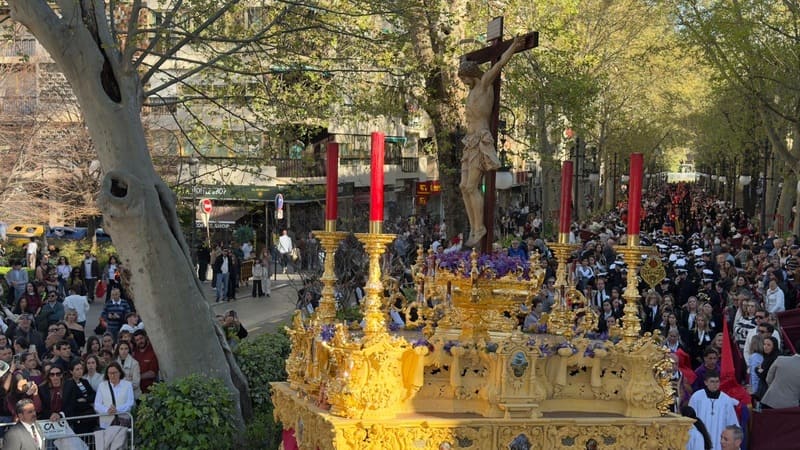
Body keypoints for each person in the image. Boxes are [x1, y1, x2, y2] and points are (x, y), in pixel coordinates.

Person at [457, 35, 524, 247]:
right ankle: (474, 226)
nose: (463, 83)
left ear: (472, 75)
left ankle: (479, 228)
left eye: (465, 78)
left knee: (471, 185)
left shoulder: (485, 84)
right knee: (463, 186)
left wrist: (513, 47)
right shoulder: (469, 93)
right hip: (469, 141)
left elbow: (500, 62)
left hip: (480, 140)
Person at [688, 370, 739, 450]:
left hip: (719, 439)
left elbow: (732, 422)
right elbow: (690, 419)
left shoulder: (726, 400)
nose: (715, 384)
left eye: (717, 382)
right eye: (712, 381)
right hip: (701, 438)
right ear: (706, 382)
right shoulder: (697, 397)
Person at [760, 338, 800, 409]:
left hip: (770, 400)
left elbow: (768, 379)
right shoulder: (780, 359)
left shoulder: (780, 359)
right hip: (791, 406)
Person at [93, 361, 134, 429]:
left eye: (115, 373)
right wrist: (107, 410)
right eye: (110, 373)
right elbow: (97, 404)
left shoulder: (128, 385)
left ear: (120, 373)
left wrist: (116, 409)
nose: (112, 375)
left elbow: (130, 403)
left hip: (122, 421)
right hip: (105, 423)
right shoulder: (102, 385)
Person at [62, 360, 98, 435]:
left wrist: (85, 399)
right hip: (78, 418)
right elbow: (70, 401)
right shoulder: (69, 384)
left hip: (89, 416)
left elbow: (93, 394)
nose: (80, 371)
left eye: (81, 369)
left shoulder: (84, 381)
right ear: (71, 372)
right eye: (77, 369)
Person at [132, 329, 159, 394]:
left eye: (141, 338)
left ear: (146, 337)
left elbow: (153, 373)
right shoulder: (135, 352)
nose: (140, 341)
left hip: (150, 391)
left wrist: (137, 377)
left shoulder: (153, 351)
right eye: (137, 340)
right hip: (137, 390)